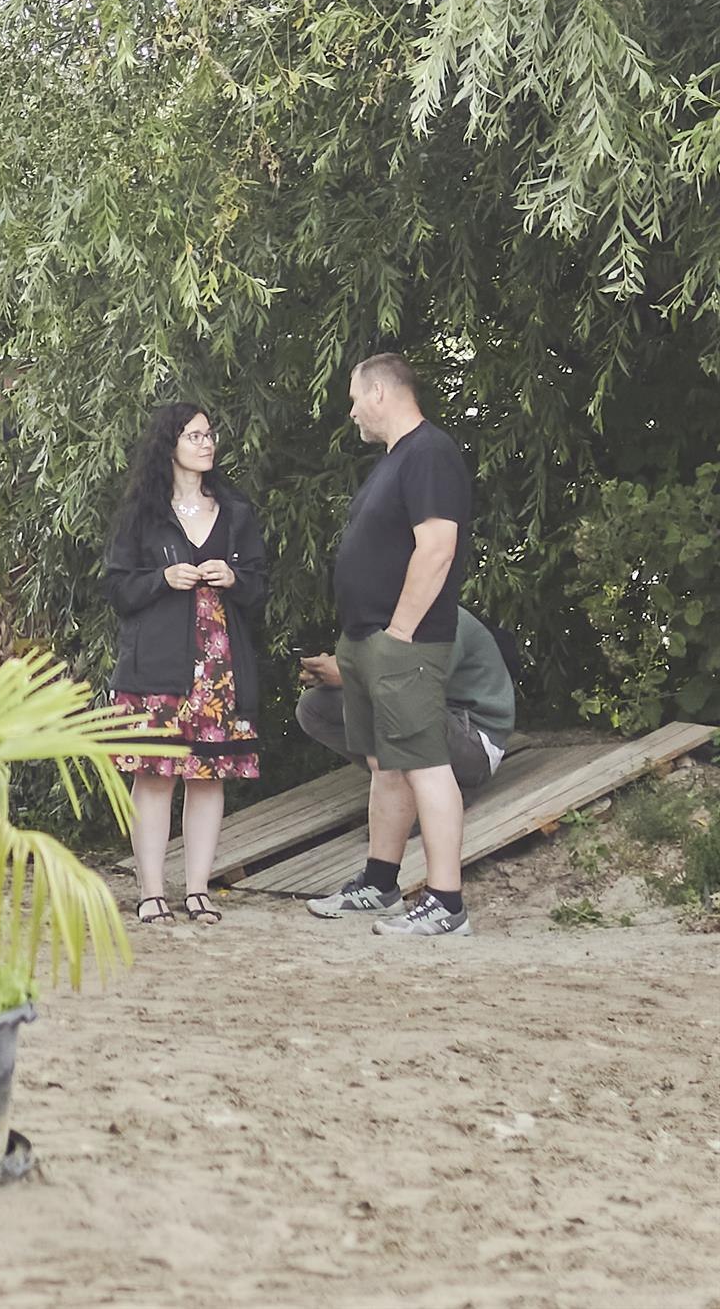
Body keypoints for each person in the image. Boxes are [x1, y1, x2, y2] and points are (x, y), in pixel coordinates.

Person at [307, 352, 479, 936]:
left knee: (425, 765)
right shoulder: (395, 459)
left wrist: (400, 632)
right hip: (365, 640)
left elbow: (437, 548)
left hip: (406, 643)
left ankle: (446, 903)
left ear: (380, 392)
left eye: (355, 397)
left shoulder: (430, 453)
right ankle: (380, 884)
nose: (352, 410)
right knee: (387, 766)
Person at [102, 401, 268, 927]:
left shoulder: (235, 512)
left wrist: (234, 578)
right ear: (168, 445)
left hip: (219, 665)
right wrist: (161, 579)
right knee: (155, 777)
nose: (206, 442)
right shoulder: (142, 514)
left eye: (209, 434)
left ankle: (198, 890)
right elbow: (117, 589)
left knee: (209, 776)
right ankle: (151, 892)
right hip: (157, 667)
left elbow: (261, 588)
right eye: (194, 435)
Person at [294, 608, 513, 791]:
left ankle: (440, 789)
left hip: (476, 746)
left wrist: (347, 674)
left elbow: (412, 687)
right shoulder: (383, 623)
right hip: (435, 723)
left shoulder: (441, 619)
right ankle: (399, 783)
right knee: (313, 707)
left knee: (387, 701)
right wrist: (326, 674)